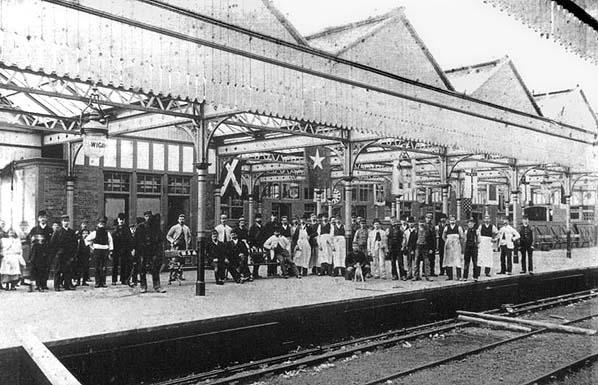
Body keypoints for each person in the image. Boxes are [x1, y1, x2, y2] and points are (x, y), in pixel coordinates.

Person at [134, 211, 166, 293]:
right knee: (142, 269)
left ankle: (157, 286)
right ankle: (143, 286)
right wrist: (136, 250)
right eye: (146, 216)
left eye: (149, 216)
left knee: (155, 269)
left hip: (153, 251)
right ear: (144, 217)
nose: (148, 218)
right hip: (143, 251)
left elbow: (160, 239)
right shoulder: (140, 227)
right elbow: (136, 240)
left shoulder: (156, 227)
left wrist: (158, 251)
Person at [50, 215, 77, 291]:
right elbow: (52, 243)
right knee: (57, 270)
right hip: (59, 254)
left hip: (68, 254)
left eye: (67, 221)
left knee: (68, 269)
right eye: (64, 221)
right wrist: (56, 254)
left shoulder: (71, 232)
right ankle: (57, 286)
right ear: (62, 222)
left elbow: (75, 244)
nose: (66, 223)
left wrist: (73, 254)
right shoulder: (57, 232)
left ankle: (67, 285)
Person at [27, 210, 53, 291]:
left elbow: (52, 241)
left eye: (44, 217)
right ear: (38, 219)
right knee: (38, 268)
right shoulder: (34, 229)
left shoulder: (50, 229)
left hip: (47, 251)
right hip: (37, 252)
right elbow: (29, 240)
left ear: (46, 219)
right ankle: (38, 284)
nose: (42, 219)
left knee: (46, 268)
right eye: (41, 217)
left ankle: (44, 284)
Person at [85, 217, 114, 288]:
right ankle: (97, 282)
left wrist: (110, 250)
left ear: (105, 225)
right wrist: (91, 246)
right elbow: (87, 239)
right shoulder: (94, 233)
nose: (101, 225)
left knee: (104, 267)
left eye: (103, 224)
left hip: (105, 251)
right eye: (100, 223)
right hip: (97, 251)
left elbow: (110, 242)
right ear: (98, 224)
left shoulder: (107, 233)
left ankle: (103, 282)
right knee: (97, 267)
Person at [112, 213, 134, 285]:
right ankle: (114, 280)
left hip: (124, 249)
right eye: (120, 219)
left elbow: (130, 239)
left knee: (124, 264)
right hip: (116, 249)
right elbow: (112, 239)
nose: (121, 221)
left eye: (122, 219)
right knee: (115, 264)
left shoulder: (126, 229)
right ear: (118, 220)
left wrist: (130, 249)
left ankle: (123, 279)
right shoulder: (115, 228)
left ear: (124, 220)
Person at [442, 215, 463, 281]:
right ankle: (449, 276)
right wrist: (447, 241)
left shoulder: (459, 227)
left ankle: (458, 276)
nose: (452, 221)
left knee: (457, 260)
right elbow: (443, 236)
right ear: (449, 221)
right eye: (451, 220)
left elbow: (461, 236)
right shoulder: (446, 227)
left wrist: (457, 242)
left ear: (455, 221)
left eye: (453, 220)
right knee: (449, 260)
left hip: (456, 245)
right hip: (449, 245)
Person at [248, 214, 266, 279]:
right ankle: (253, 273)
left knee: (260, 260)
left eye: (260, 218)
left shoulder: (263, 227)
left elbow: (265, 236)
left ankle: (256, 273)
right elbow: (250, 237)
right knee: (255, 259)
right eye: (257, 218)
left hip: (261, 246)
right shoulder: (252, 227)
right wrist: (252, 245)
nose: (259, 219)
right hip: (255, 246)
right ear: (255, 219)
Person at [263, 213, 279, 277]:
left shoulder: (277, 224)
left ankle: (275, 272)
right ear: (271, 217)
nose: (274, 217)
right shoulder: (268, 224)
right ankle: (269, 272)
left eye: (275, 216)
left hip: (275, 242)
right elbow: (265, 234)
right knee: (270, 258)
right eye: (273, 216)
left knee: (275, 258)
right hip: (269, 242)